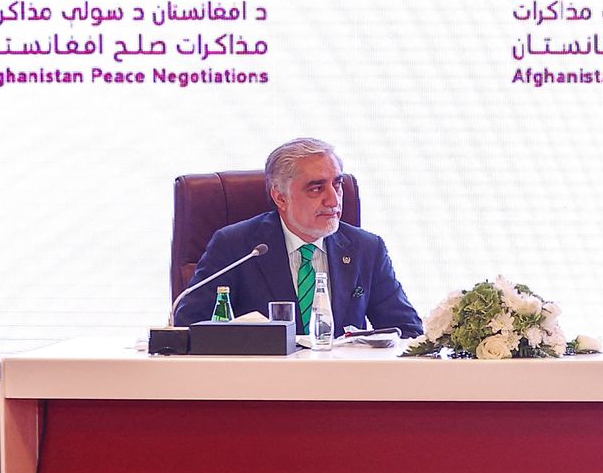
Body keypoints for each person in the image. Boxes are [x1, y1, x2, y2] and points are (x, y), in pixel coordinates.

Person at [175, 137, 424, 336]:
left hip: (344, 379)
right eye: (316, 188)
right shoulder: (237, 247)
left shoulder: (366, 248)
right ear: (280, 197)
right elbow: (189, 326)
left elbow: (407, 332)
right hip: (262, 380)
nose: (334, 200)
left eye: (337, 184)